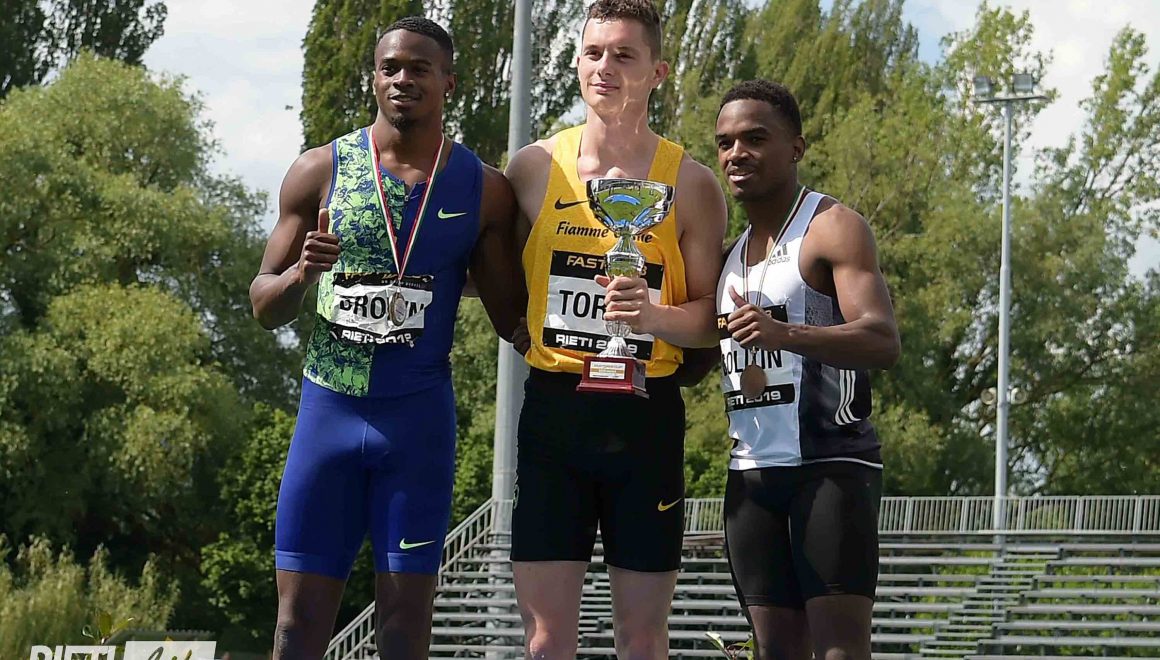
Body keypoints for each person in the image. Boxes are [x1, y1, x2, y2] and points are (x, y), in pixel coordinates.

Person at [248, 16, 521, 660]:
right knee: (295, 626)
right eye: (390, 67)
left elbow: (513, 319)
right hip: (328, 414)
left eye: (419, 68)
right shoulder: (319, 170)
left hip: (416, 425)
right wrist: (301, 275)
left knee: (403, 627)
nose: (403, 79)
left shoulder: (483, 189)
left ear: (449, 82)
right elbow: (262, 305)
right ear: (374, 79)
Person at [503, 1, 728, 657]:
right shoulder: (533, 168)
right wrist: (517, 330)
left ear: (657, 71)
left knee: (643, 638)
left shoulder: (692, 184)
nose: (604, 67)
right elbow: (496, 277)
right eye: (593, 53)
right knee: (545, 640)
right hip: (554, 414)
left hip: (645, 418)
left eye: (624, 55)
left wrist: (653, 317)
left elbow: (711, 320)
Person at [713, 79, 901, 660]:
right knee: (773, 651)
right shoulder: (729, 255)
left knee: (840, 649)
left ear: (795, 147)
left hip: (830, 463)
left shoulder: (832, 226)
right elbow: (697, 361)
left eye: (754, 138)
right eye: (725, 143)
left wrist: (785, 334)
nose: (737, 153)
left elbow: (882, 339)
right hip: (751, 472)